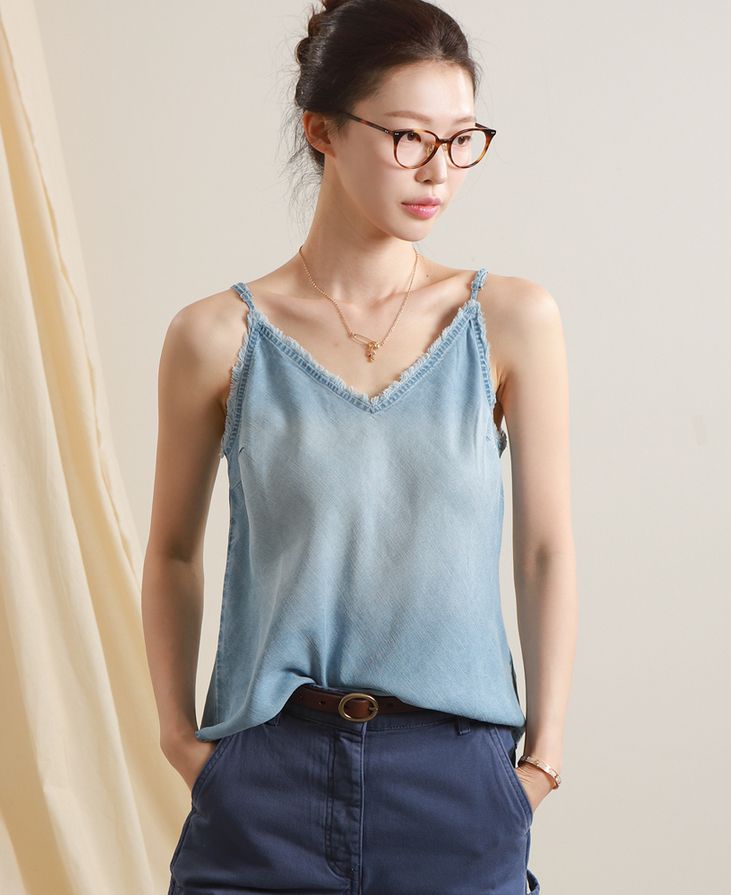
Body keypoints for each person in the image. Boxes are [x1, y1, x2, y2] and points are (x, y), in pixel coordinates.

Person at [141, 1, 577, 893]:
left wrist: (542, 760)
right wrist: (182, 741)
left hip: (457, 777)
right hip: (266, 774)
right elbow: (174, 551)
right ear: (322, 130)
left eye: (462, 139)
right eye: (409, 137)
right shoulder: (216, 335)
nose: (439, 170)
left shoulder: (510, 321)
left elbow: (544, 550)